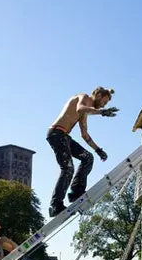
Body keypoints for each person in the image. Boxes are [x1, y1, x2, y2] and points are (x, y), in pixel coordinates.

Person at [47, 86, 120, 217]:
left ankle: (76, 192)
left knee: (88, 157)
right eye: (104, 102)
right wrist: (102, 112)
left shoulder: (84, 114)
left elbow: (84, 135)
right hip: (56, 134)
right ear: (97, 95)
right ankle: (55, 205)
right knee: (68, 168)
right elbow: (80, 108)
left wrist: (98, 150)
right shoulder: (84, 97)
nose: (103, 105)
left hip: (64, 137)